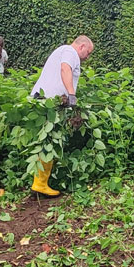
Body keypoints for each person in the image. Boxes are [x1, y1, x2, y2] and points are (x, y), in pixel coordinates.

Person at [28, 35, 95, 197]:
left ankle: (40, 183)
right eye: (88, 52)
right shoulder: (70, 52)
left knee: (47, 140)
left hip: (45, 99)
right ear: (82, 46)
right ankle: (39, 185)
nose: (88, 57)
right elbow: (65, 68)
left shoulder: (63, 51)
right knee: (49, 141)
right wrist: (71, 94)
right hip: (48, 101)